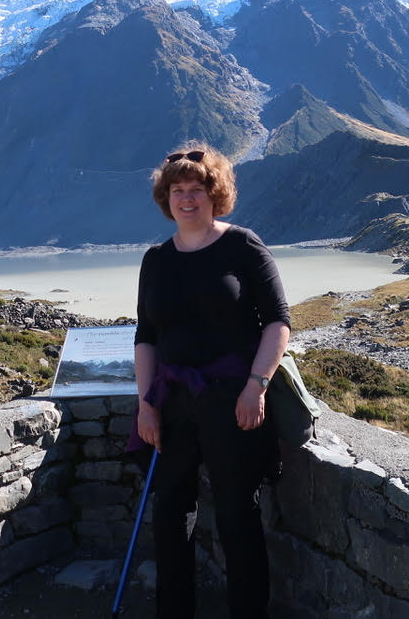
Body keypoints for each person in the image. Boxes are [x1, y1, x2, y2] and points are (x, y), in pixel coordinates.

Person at [133, 143, 291, 619]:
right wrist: (146, 405)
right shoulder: (156, 260)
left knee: (237, 514)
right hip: (173, 400)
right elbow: (146, 336)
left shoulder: (242, 246)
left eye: (197, 189)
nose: (187, 199)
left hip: (232, 400)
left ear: (214, 193)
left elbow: (278, 322)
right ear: (166, 198)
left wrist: (255, 386)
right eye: (177, 190)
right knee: (169, 512)